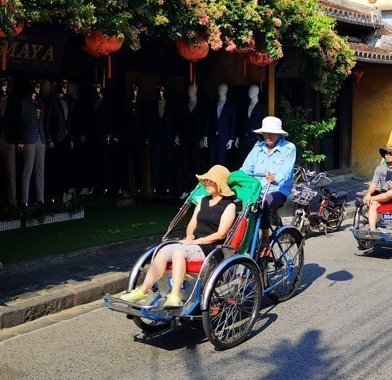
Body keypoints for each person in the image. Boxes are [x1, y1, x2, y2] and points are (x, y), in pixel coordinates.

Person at [119, 165, 237, 308]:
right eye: (205, 181)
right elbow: (192, 224)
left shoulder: (229, 206)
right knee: (162, 251)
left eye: (210, 181)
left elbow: (221, 234)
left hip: (210, 248)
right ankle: (143, 290)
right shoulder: (203, 201)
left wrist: (199, 241)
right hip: (193, 243)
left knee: (178, 252)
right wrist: (189, 236)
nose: (206, 183)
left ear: (220, 183)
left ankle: (174, 296)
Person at [241, 116, 297, 253]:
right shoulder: (258, 148)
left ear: (278, 134)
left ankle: (265, 241)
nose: (268, 135)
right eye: (265, 133)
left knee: (264, 203)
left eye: (271, 133)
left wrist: (276, 177)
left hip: (278, 190)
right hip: (257, 190)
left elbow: (286, 173)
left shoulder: (289, 148)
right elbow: (246, 169)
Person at [362, 146, 392, 231]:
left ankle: (369, 199)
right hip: (383, 195)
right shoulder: (379, 168)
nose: (388, 155)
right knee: (373, 204)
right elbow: (373, 184)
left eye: (391, 153)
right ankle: (372, 230)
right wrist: (368, 193)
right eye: (387, 153)